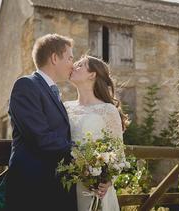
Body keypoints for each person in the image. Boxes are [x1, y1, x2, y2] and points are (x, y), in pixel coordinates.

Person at [5, 34, 76, 211]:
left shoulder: (53, 91)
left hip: (54, 184)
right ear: (54, 58)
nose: (72, 64)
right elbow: (40, 136)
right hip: (31, 185)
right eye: (69, 58)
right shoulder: (26, 85)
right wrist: (80, 152)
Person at [64, 55, 129, 211]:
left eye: (80, 65)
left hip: (95, 188)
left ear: (92, 75)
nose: (73, 66)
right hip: (67, 185)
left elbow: (118, 153)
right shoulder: (65, 107)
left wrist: (107, 181)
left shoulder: (108, 110)